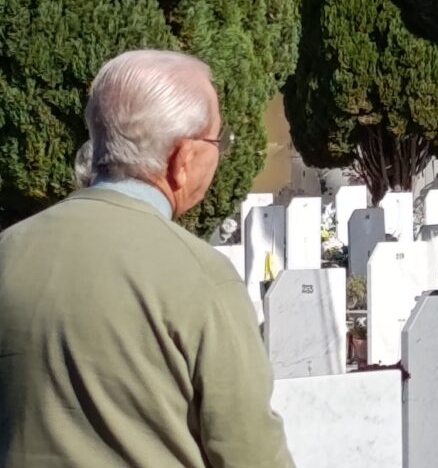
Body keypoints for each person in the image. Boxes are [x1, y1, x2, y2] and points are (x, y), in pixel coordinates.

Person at [0, 50, 293, 467]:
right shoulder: (200, 276)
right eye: (218, 140)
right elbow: (249, 453)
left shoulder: (9, 250)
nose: (221, 152)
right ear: (183, 159)